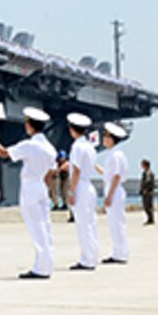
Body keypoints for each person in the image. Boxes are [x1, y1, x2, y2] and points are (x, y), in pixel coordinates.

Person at [0, 106, 56, 279]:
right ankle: (46, 264)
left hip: (30, 188)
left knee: (36, 228)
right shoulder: (50, 148)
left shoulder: (30, 145)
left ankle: (41, 269)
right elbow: (51, 172)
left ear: (30, 125)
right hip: (41, 187)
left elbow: (3, 153)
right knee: (45, 228)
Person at [66, 112, 99, 270]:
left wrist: (71, 191)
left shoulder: (77, 147)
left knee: (83, 225)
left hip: (81, 186)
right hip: (89, 186)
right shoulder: (89, 147)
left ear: (72, 129)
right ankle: (92, 256)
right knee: (91, 224)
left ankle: (87, 260)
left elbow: (76, 171)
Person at [100, 123, 130, 264]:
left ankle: (121, 254)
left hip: (115, 191)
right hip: (113, 189)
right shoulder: (114, 154)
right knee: (114, 224)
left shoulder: (116, 155)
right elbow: (108, 175)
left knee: (117, 224)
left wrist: (109, 197)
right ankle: (117, 252)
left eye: (106, 136)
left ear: (112, 139)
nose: (103, 139)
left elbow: (117, 176)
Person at [140, 158, 155, 225]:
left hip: (148, 192)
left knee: (148, 206)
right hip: (145, 191)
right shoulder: (145, 173)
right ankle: (149, 219)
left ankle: (151, 219)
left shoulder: (149, 173)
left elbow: (149, 182)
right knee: (146, 206)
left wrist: (146, 189)